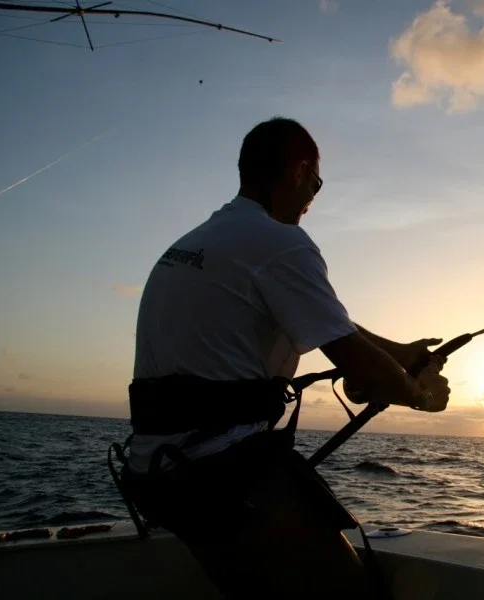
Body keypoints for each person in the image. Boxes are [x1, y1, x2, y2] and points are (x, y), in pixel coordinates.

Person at [121, 116, 451, 599]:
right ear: (299, 172)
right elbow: (356, 362)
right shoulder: (280, 243)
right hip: (221, 474)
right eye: (316, 184)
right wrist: (422, 395)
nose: (313, 199)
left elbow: (331, 324)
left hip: (158, 478)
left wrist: (401, 353)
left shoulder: (201, 241)